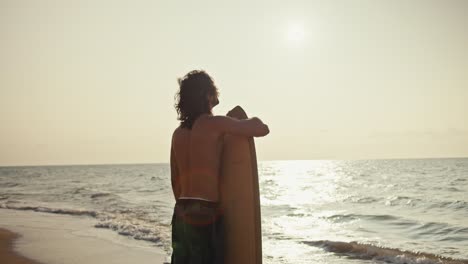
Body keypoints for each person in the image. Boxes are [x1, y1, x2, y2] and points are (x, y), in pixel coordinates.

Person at [170, 70, 269, 264]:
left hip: (181, 211)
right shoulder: (215, 124)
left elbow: (175, 180)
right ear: (207, 94)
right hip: (206, 212)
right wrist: (246, 118)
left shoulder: (177, 134)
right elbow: (261, 129)